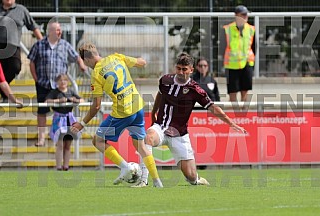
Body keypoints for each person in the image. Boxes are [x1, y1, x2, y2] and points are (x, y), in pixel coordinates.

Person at [135, 52, 247, 187]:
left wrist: (231, 123)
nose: (181, 72)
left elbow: (213, 107)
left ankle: (197, 179)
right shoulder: (165, 80)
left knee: (191, 177)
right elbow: (160, 94)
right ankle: (144, 179)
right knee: (147, 138)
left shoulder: (196, 90)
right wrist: (154, 113)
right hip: (161, 127)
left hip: (179, 134)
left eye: (184, 69)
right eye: (178, 68)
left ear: (191, 70)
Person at [70, 42, 163, 187]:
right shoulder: (116, 57)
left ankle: (126, 167)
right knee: (141, 146)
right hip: (138, 107)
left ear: (87, 59)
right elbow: (141, 63)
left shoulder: (96, 74)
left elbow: (96, 106)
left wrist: (82, 123)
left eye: (84, 62)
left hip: (122, 113)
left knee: (98, 141)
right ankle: (157, 182)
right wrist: (142, 60)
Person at [27, 21, 86, 147]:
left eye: (60, 29)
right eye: (57, 30)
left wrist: (81, 64)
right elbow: (31, 61)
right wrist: (36, 78)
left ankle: (63, 135)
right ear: (50, 31)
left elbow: (76, 57)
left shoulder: (65, 45)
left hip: (60, 86)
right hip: (43, 83)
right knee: (42, 110)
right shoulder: (39, 44)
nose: (60, 32)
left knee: (64, 110)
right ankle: (41, 138)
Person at [0, 0, 43, 102]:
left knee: (15, 67)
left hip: (12, 46)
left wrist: (43, 42)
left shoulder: (21, 10)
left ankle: (4, 92)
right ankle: (5, 94)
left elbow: (33, 26)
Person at [45, 74, 84, 171]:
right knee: (60, 144)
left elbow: (82, 100)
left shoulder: (70, 92)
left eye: (65, 80)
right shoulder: (54, 92)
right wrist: (59, 101)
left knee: (68, 144)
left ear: (68, 82)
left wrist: (74, 100)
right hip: (59, 120)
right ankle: (58, 166)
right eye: (60, 80)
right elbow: (47, 101)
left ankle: (66, 165)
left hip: (69, 120)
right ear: (57, 82)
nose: (63, 82)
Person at [221, 5, 255, 102]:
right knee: (233, 91)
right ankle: (233, 114)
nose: (245, 17)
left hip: (247, 63)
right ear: (236, 16)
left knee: (245, 90)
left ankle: (243, 115)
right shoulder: (228, 29)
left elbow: (254, 47)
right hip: (232, 65)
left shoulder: (251, 29)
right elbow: (222, 47)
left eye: (246, 15)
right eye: (243, 15)